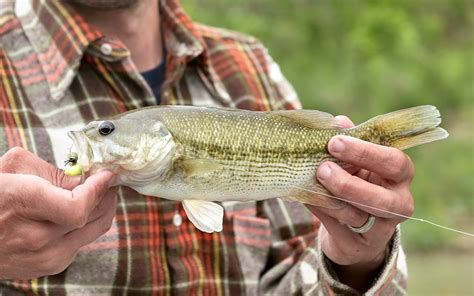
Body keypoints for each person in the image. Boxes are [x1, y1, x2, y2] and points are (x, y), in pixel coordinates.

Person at [0, 0, 413, 294]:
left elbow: (294, 275)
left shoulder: (248, 64)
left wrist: (355, 260)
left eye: (107, 131)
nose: (101, 138)